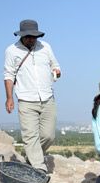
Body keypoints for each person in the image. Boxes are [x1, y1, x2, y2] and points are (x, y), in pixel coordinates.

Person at [3, 19, 61, 173]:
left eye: (34, 36)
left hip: (47, 97)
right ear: (22, 35)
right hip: (26, 99)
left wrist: (56, 71)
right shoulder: (11, 50)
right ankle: (39, 167)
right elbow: (9, 75)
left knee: (49, 136)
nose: (31, 39)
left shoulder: (45, 47)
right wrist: (9, 98)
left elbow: (55, 65)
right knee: (30, 136)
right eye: (28, 36)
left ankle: (32, 157)